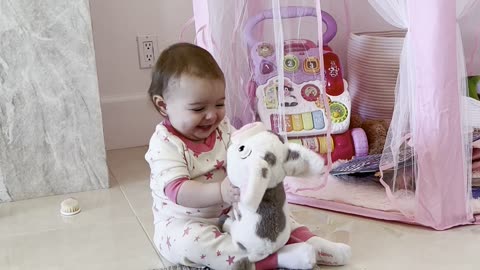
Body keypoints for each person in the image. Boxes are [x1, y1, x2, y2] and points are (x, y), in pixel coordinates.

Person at [145, 42, 351, 269]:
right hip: (187, 221)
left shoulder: (222, 128)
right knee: (189, 245)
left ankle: (310, 241)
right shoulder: (164, 145)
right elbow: (178, 191)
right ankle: (276, 259)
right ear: (163, 105)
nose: (212, 115)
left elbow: (244, 152)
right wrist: (219, 191)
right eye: (198, 109)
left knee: (272, 213)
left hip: (235, 210)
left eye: (220, 104)